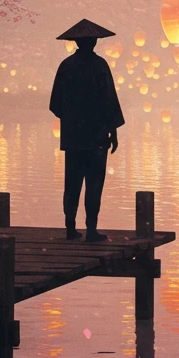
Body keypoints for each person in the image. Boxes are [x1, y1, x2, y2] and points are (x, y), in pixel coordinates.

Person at [49, 19, 125, 242]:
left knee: (72, 183)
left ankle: (70, 228)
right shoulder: (100, 66)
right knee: (94, 183)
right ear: (94, 42)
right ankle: (91, 229)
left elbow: (55, 104)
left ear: (75, 42)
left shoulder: (66, 66)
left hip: (73, 137)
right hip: (97, 136)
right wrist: (113, 131)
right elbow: (109, 101)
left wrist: (73, 118)